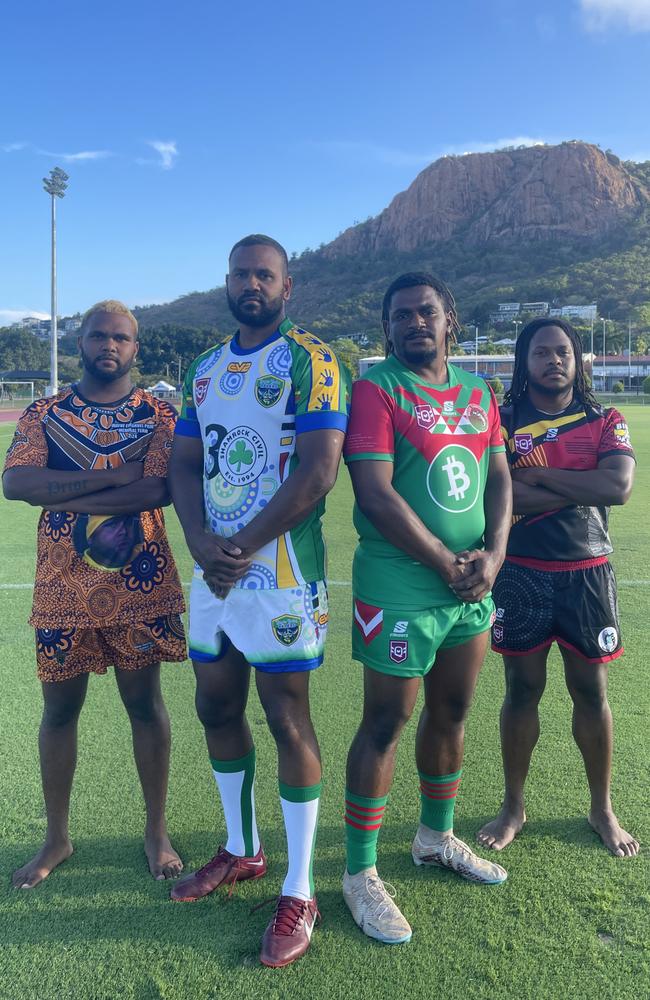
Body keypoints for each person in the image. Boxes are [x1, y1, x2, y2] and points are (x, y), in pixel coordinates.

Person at [168, 235, 349, 968]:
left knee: (286, 719)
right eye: (240, 273)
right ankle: (242, 849)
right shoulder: (203, 368)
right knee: (215, 706)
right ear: (228, 282)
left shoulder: (311, 360)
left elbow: (318, 471)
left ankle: (299, 887)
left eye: (263, 274)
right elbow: (184, 463)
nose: (251, 284)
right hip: (211, 571)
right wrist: (201, 540)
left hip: (277, 572)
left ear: (286, 284)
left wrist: (237, 549)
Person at [341, 272, 511, 945]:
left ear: (450, 320)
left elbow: (499, 478)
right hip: (401, 583)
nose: (415, 323)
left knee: (453, 711)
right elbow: (376, 494)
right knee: (385, 720)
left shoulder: (477, 392)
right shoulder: (376, 389)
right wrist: (446, 562)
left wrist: (493, 555)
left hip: (472, 585)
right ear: (389, 328)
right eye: (402, 315)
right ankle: (359, 874)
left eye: (427, 312)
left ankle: (435, 838)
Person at [2, 300, 187, 888]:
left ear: (137, 348)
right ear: (79, 343)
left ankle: (156, 832)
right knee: (59, 712)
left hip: (138, 584)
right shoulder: (44, 413)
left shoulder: (159, 414)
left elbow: (156, 490)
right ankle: (56, 837)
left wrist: (60, 494)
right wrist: (111, 475)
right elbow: (16, 483)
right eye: (99, 335)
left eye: (122, 338)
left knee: (144, 706)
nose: (110, 345)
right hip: (62, 587)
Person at [477, 318, 638, 858]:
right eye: (542, 352)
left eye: (563, 351)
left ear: (578, 359)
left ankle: (601, 809)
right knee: (522, 691)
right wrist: (570, 486)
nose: (554, 360)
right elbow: (496, 499)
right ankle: (513, 807)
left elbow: (615, 487)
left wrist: (538, 478)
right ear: (524, 361)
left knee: (590, 693)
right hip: (519, 571)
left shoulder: (604, 420)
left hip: (586, 572)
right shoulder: (500, 421)